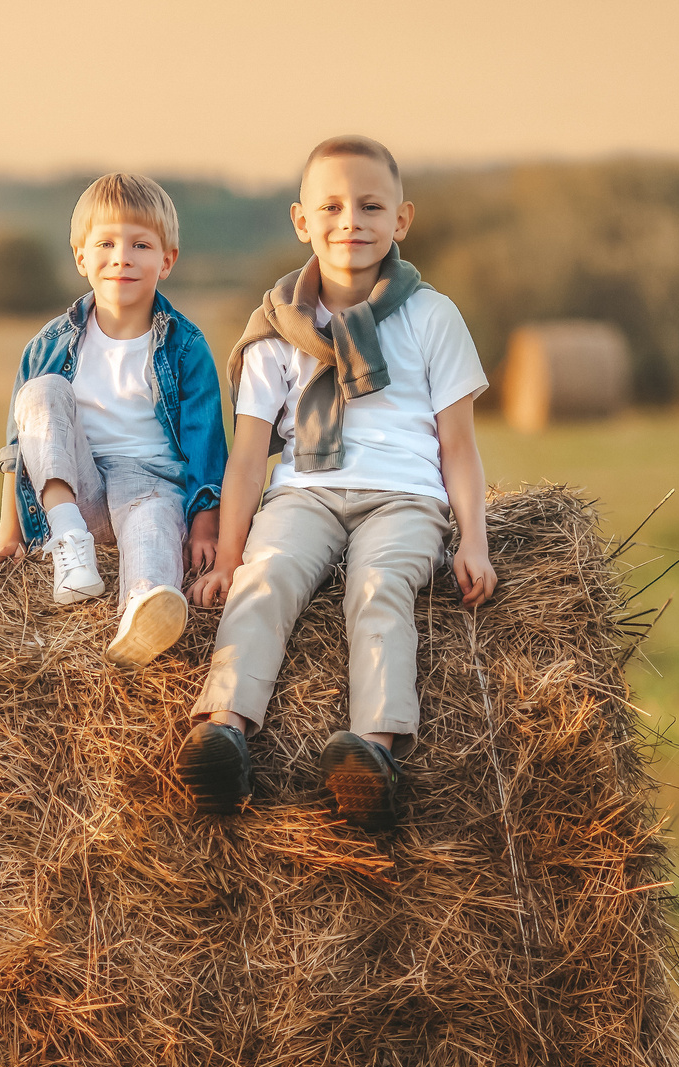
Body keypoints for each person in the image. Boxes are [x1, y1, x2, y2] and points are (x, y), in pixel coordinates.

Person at [177, 136, 497, 827]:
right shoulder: (274, 332)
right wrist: (230, 556)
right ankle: (224, 731)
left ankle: (371, 751)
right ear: (301, 220)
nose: (351, 220)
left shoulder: (432, 317)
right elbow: (249, 455)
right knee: (266, 578)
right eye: (332, 205)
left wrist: (474, 538)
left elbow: (460, 446)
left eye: (371, 205)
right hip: (305, 493)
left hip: (406, 498)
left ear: (402, 220)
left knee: (379, 588)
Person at [0, 173, 227, 668]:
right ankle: (68, 543)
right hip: (80, 493)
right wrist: (9, 535)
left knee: (155, 523)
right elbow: (20, 446)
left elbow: (207, 443)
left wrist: (205, 527)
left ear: (167, 260)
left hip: (153, 488)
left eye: (140, 244)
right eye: (107, 243)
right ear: (81, 258)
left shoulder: (186, 347)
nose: (122, 257)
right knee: (42, 393)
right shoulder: (48, 345)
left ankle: (142, 610)